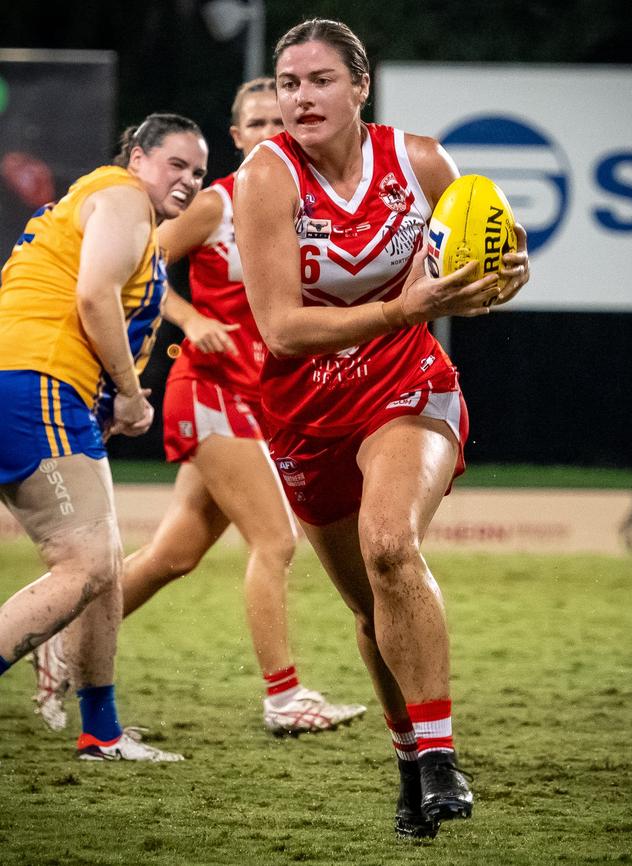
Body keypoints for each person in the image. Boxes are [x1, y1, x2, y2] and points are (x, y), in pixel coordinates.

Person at [233, 19, 530, 838]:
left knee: (391, 543)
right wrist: (409, 305)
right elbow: (282, 330)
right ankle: (411, 764)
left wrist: (507, 270)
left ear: (359, 87)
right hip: (304, 413)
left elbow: (493, 255)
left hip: (407, 384)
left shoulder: (423, 159)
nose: (300, 97)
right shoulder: (265, 178)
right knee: (368, 610)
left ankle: (440, 757)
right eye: (288, 83)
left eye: (319, 80)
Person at [31, 79, 366, 737]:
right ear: (238, 137)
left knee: (171, 557)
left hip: (255, 398)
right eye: (257, 122)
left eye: (282, 120)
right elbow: (142, 263)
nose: (273, 130)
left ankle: (61, 642)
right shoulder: (220, 201)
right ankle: (283, 697)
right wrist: (189, 318)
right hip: (212, 388)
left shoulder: (307, 209)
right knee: (276, 539)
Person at [0, 113, 209, 761]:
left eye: (199, 172)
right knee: (86, 564)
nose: (188, 180)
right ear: (139, 156)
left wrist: (111, 398)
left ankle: (102, 730)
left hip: (39, 383)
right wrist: (130, 390)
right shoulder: (122, 196)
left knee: (105, 564)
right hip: (37, 379)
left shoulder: (117, 209)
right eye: (177, 163)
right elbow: (93, 298)